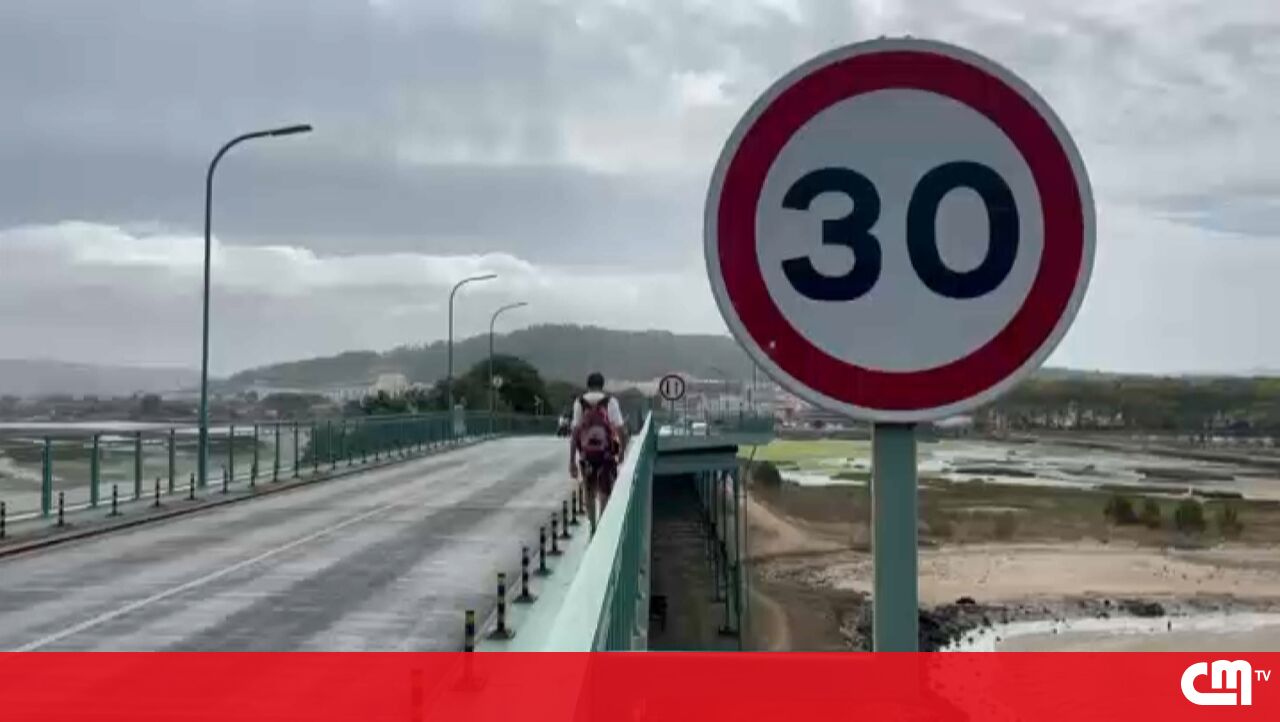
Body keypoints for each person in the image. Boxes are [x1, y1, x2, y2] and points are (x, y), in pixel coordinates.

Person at [568, 371, 628, 534]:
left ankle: (593, 525)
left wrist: (572, 460)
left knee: (589, 489)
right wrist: (622, 450)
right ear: (602, 385)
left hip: (586, 454)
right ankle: (602, 524)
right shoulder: (610, 401)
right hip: (606, 454)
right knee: (604, 489)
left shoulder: (579, 402)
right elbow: (620, 429)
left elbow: (575, 433)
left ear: (588, 385)